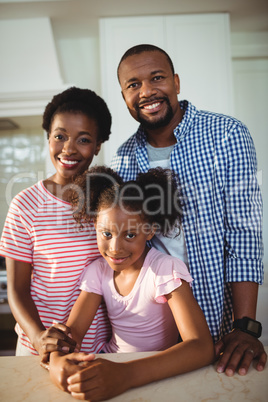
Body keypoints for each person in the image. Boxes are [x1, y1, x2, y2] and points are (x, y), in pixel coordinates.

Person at [110, 44, 266, 376]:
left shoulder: (226, 135)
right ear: (124, 96)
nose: (147, 91)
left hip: (219, 326)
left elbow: (244, 233)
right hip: (152, 336)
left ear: (176, 82)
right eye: (133, 85)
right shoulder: (122, 159)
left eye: (157, 78)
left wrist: (245, 326)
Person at [48, 165, 214, 401]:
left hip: (155, 372)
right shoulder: (97, 271)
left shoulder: (164, 270)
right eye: (106, 234)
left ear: (149, 231)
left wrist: (125, 374)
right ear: (95, 226)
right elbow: (72, 333)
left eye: (130, 235)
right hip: (110, 363)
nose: (115, 248)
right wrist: (57, 361)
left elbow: (201, 347)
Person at [0, 87, 112, 363]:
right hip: (36, 347)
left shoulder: (108, 201)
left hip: (97, 348)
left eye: (83, 139)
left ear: (98, 145)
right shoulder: (24, 204)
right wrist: (38, 337)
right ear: (48, 138)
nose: (69, 149)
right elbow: (16, 289)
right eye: (60, 136)